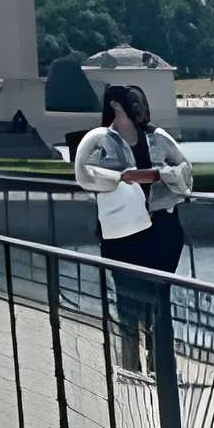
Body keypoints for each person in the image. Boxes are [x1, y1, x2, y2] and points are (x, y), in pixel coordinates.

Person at [76, 82, 194, 373]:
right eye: (130, 103)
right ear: (115, 106)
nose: (137, 109)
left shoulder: (158, 137)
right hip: (121, 233)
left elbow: (185, 173)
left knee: (158, 297)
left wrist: (151, 174)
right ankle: (130, 366)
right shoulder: (100, 141)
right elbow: (85, 176)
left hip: (161, 229)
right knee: (127, 298)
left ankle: (160, 364)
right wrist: (118, 178)